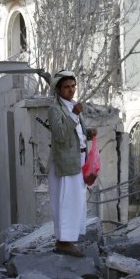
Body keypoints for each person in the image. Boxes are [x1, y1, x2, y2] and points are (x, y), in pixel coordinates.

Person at [47, 70, 96, 257]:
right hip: (66, 163)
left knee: (76, 202)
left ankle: (68, 241)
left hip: (79, 160)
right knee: (66, 202)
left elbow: (76, 132)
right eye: (66, 87)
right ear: (58, 90)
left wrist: (87, 133)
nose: (71, 90)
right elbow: (60, 135)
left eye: (73, 86)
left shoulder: (74, 105)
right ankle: (63, 242)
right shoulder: (55, 109)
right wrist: (74, 115)